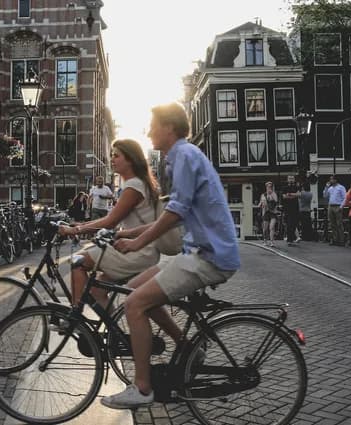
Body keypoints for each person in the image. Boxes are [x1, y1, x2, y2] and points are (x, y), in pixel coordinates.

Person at [106, 102, 239, 409]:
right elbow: (177, 212)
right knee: (133, 289)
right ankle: (189, 347)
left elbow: (176, 212)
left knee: (134, 304)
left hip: (209, 256)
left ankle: (142, 388)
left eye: (153, 126)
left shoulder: (184, 155)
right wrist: (130, 234)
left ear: (168, 128)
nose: (148, 131)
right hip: (198, 251)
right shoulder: (179, 157)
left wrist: (139, 243)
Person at [58, 139, 161, 306]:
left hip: (137, 251)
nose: (112, 159)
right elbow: (113, 219)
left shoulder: (134, 186)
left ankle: (75, 315)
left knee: (78, 261)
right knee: (97, 292)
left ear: (130, 159)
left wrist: (75, 230)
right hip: (141, 248)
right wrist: (81, 226)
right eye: (112, 155)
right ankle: (110, 325)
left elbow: (111, 221)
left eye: (116, 156)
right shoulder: (139, 183)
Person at [323, 175, 347, 245]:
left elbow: (345, 197)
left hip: (338, 205)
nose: (330, 181)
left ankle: (341, 240)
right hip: (331, 206)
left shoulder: (341, 187)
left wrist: (341, 206)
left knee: (339, 224)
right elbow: (325, 196)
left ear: (335, 180)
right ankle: (335, 239)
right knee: (332, 224)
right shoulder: (330, 188)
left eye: (332, 179)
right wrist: (326, 187)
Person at [258, 182, 280, 247]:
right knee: (265, 228)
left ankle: (272, 242)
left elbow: (276, 200)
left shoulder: (274, 194)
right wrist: (261, 204)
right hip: (266, 212)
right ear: (266, 187)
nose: (269, 188)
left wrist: (271, 194)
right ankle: (265, 240)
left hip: (273, 212)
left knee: (271, 227)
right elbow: (260, 203)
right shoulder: (263, 195)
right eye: (268, 187)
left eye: (270, 187)